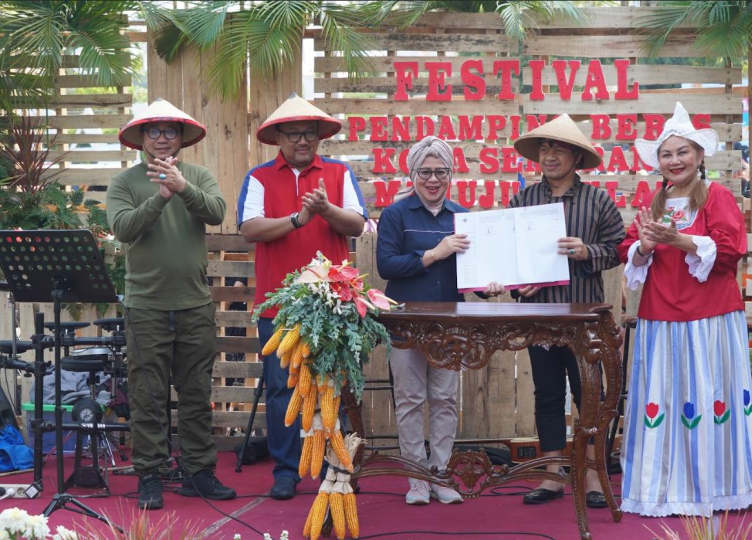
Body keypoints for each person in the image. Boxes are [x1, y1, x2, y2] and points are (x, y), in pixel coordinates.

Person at [618, 102, 752, 516]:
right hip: (661, 314)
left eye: (682, 152)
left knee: (707, 394)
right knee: (666, 398)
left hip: (709, 316)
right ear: (658, 162)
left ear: (699, 155)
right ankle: (665, 487)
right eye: (667, 154)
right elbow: (629, 250)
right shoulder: (655, 201)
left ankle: (713, 488)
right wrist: (646, 246)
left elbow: (730, 250)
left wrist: (678, 240)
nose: (674, 160)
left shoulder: (717, 196)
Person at [238, 94, 368, 500]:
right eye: (293, 134)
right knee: (282, 389)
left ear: (319, 137)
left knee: (333, 389)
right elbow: (250, 229)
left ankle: (336, 467)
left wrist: (326, 210)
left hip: (333, 303)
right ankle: (286, 470)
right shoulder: (259, 177)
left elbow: (357, 225)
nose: (302, 141)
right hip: (279, 306)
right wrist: (298, 219)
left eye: (309, 133)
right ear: (278, 137)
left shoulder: (338, 172)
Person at [109, 98, 234, 509]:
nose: (162, 138)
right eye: (154, 131)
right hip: (146, 306)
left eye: (169, 131)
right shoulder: (125, 182)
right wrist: (161, 197)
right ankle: (150, 474)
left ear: (181, 137)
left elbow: (216, 212)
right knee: (147, 396)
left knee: (196, 393)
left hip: (194, 303)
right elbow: (123, 228)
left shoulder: (198, 175)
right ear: (141, 138)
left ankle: (199, 472)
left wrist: (182, 187)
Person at [376, 136, 504, 505]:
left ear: (451, 174)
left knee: (445, 399)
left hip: (450, 324)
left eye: (440, 172)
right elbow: (387, 265)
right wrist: (434, 253)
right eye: (425, 172)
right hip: (406, 323)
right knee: (410, 399)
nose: (433, 179)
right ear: (412, 174)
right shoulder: (396, 215)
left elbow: (473, 273)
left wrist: (489, 286)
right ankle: (417, 479)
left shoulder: (462, 217)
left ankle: (440, 474)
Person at [509, 114, 626, 508]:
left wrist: (585, 251)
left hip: (583, 319)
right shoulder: (523, 201)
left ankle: (592, 473)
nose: (549, 155)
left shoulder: (598, 201)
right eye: (544, 148)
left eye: (558, 149)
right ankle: (553, 474)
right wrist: (516, 281)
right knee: (546, 394)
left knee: (588, 395)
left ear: (576, 157)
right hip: (539, 317)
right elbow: (509, 256)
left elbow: (617, 249)